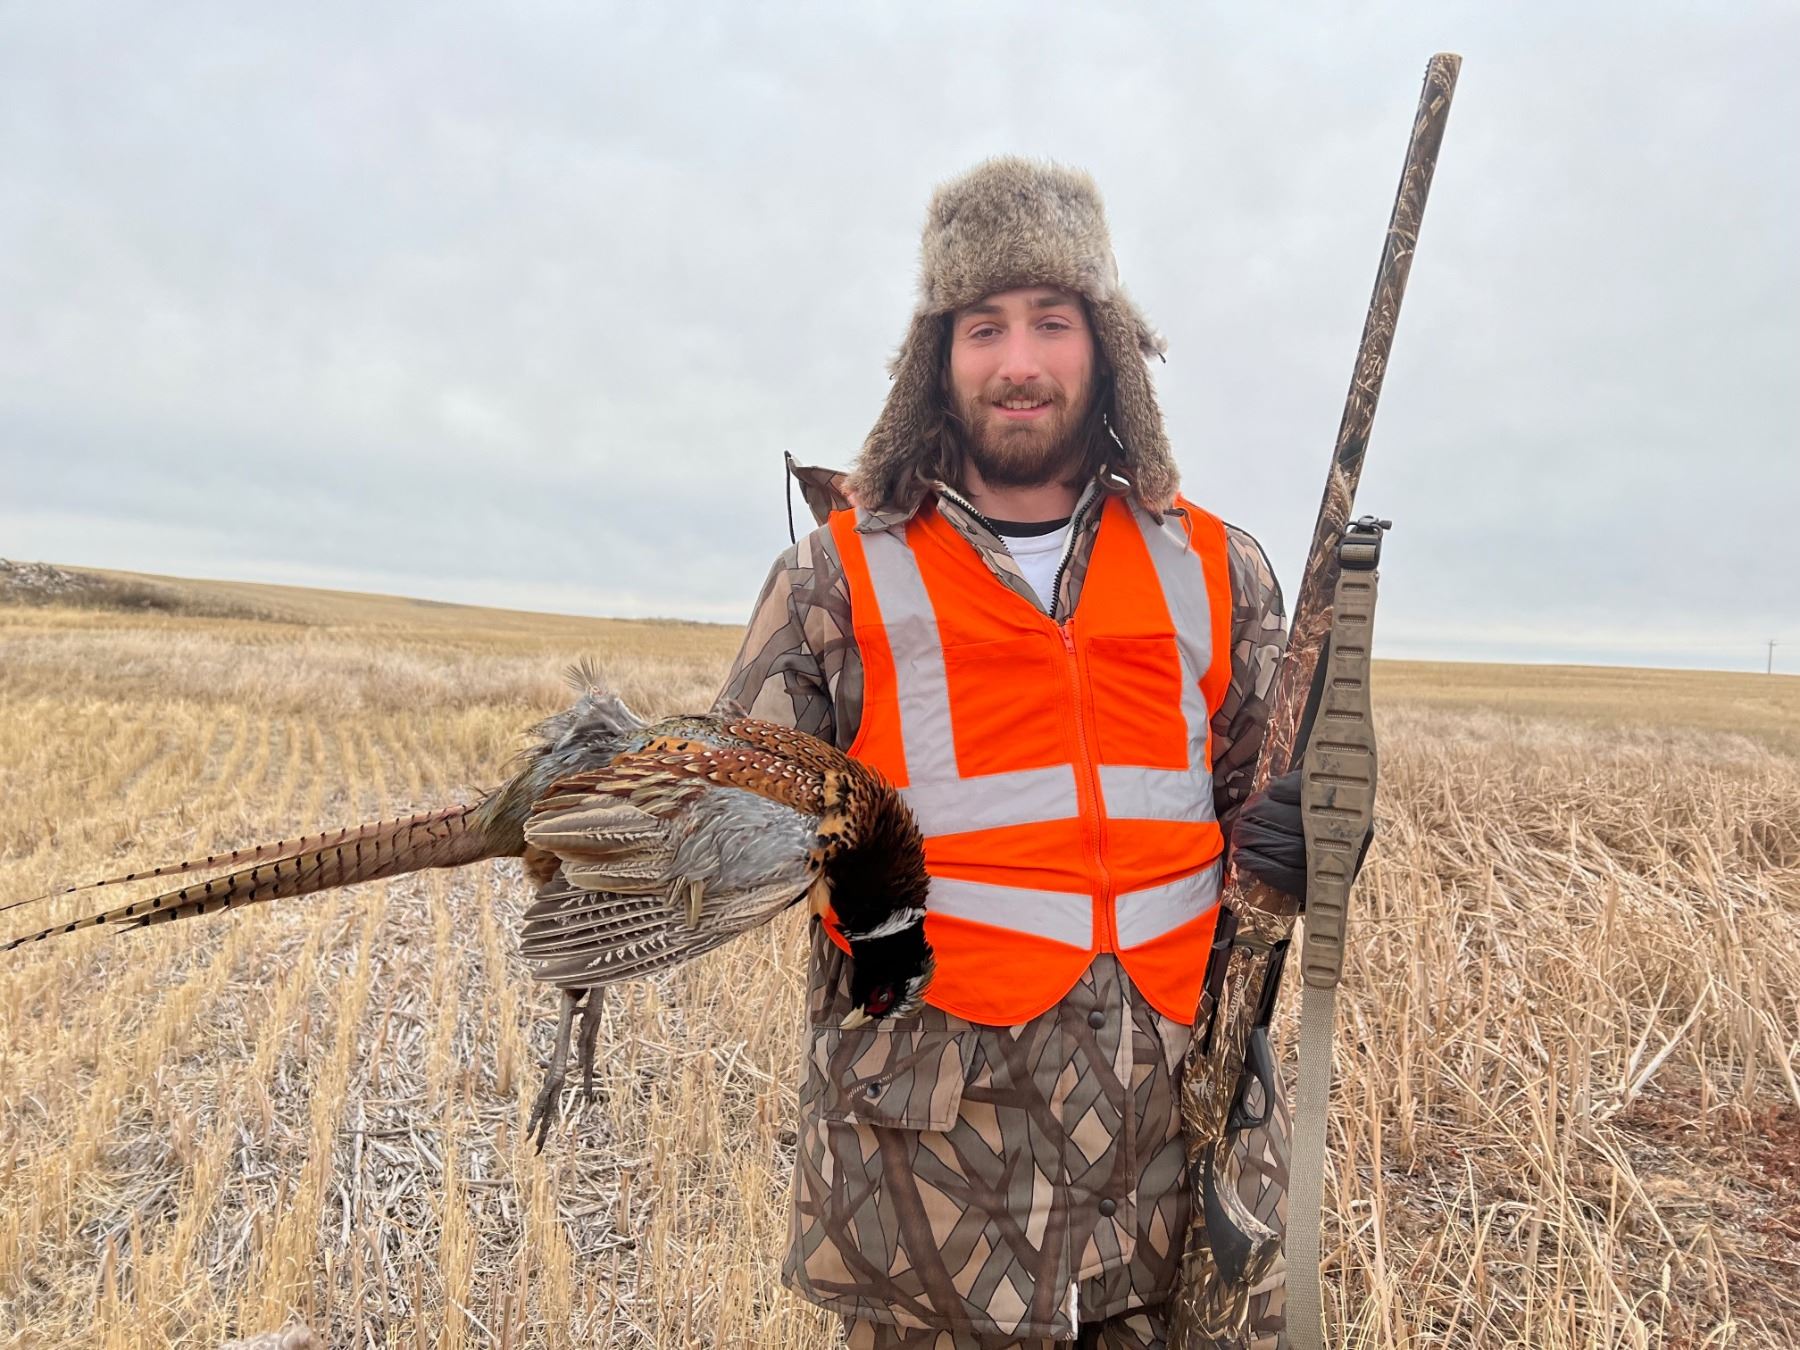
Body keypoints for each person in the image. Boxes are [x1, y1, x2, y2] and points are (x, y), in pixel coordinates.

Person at [717, 158, 1300, 1350]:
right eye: (983, 326)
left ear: (1107, 346)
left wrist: (1321, 830)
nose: (1019, 361)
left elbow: (1267, 815)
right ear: (937, 357)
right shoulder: (836, 578)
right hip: (933, 1204)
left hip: (1176, 1170)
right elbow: (727, 833)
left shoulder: (1217, 568)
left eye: (1052, 321)